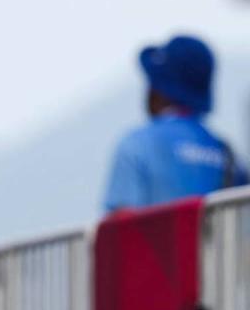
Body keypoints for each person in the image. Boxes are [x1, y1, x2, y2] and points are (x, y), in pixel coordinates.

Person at [103, 34, 247, 213]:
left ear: (157, 92)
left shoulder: (136, 145)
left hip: (155, 241)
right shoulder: (228, 155)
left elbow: (119, 223)